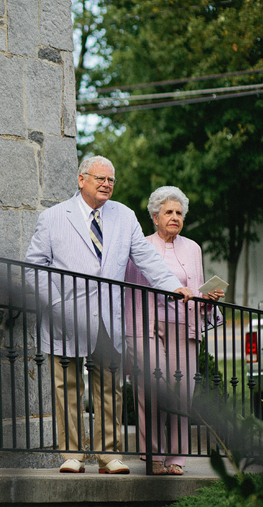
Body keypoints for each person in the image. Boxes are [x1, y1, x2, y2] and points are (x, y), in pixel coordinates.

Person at [24, 156, 193, 475]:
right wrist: (55, 303)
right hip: (66, 317)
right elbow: (34, 267)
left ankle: (108, 456)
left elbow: (146, 258)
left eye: (111, 180)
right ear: (81, 180)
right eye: (100, 178)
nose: (106, 184)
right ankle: (72, 455)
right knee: (67, 386)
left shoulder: (125, 216)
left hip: (107, 316)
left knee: (109, 388)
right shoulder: (53, 217)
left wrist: (173, 285)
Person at [124, 186, 223, 476]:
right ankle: (152, 454)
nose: (175, 217)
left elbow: (198, 288)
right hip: (148, 326)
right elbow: (131, 293)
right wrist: (132, 332)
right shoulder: (141, 245)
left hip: (184, 326)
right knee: (151, 388)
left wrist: (209, 298)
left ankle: (176, 459)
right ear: (155, 216)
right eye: (169, 212)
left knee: (182, 392)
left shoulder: (193, 248)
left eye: (179, 213)